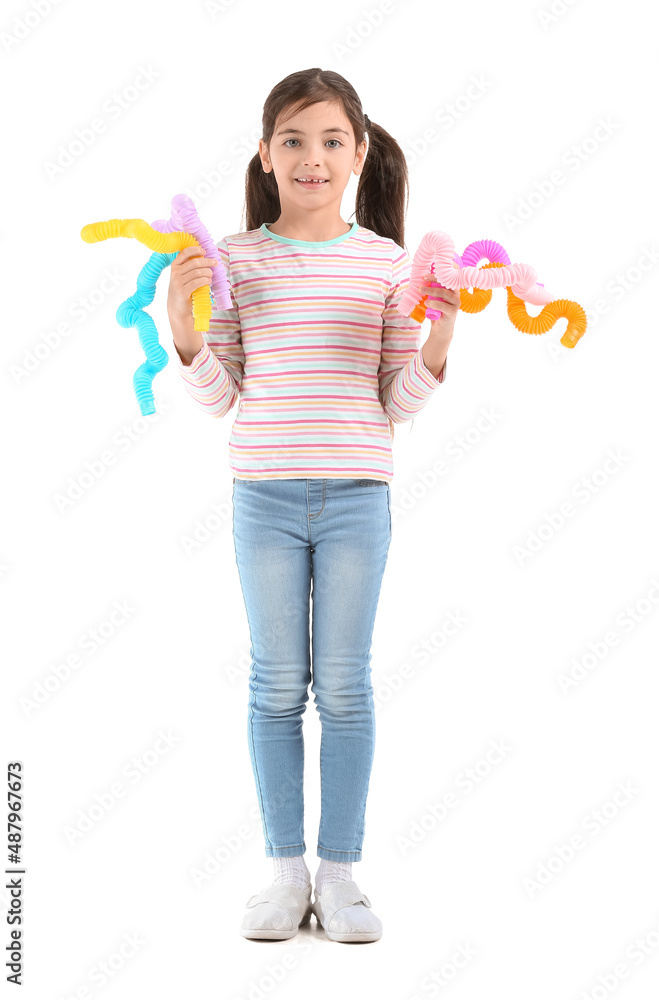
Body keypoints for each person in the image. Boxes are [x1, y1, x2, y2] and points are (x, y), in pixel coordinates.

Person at [167, 68, 460, 943]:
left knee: (344, 688)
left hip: (356, 501)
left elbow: (396, 400)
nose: (312, 157)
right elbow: (221, 396)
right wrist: (181, 330)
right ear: (264, 154)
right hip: (262, 497)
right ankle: (282, 873)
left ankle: (339, 877)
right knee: (273, 687)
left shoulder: (387, 266)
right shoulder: (235, 258)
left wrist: (440, 338)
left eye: (332, 140)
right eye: (292, 139)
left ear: (360, 155)